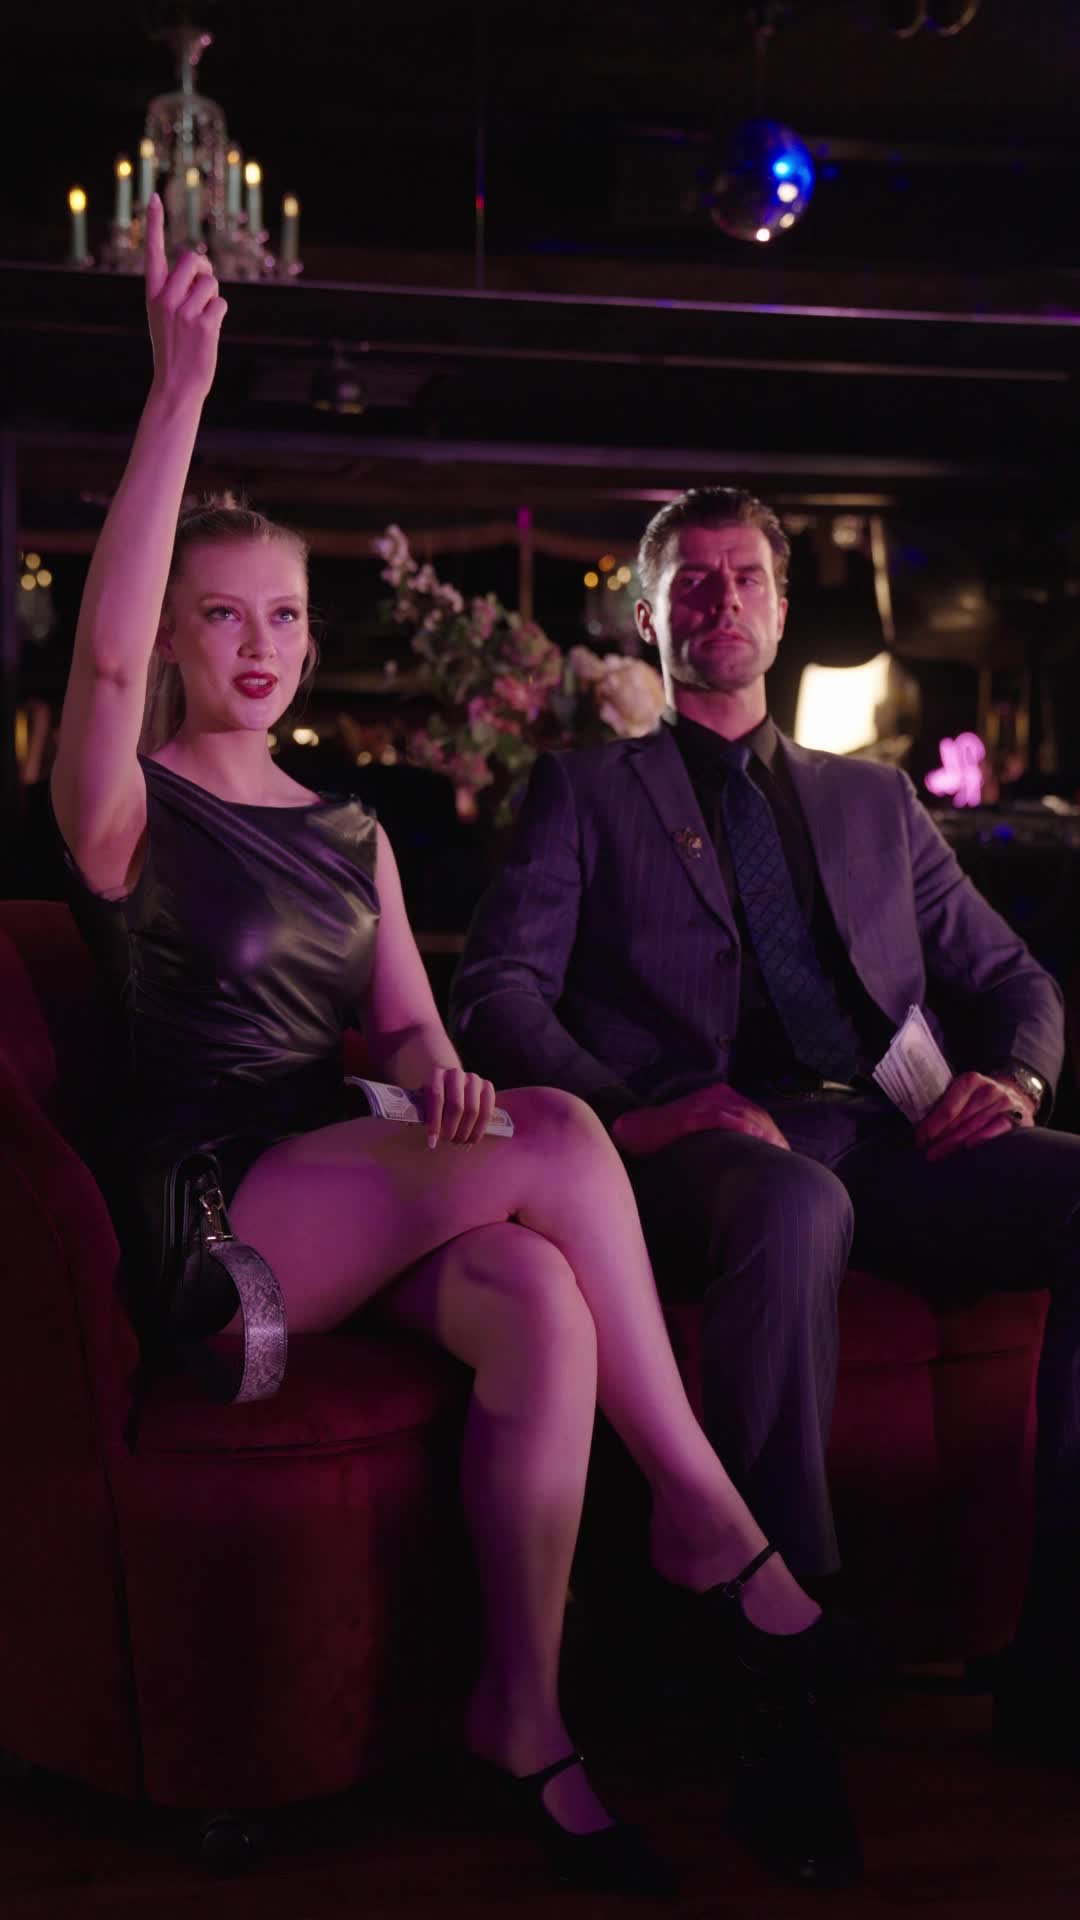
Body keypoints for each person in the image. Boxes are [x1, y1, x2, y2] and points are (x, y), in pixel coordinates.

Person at [50, 207, 861, 1894]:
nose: (257, 646)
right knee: (560, 1135)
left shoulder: (352, 831)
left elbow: (415, 1024)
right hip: (220, 1225)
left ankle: (524, 1711)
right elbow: (103, 660)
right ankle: (712, 1522)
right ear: (175, 640)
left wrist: (436, 1082)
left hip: (346, 1185)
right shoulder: (126, 812)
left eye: (282, 616)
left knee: (542, 1296)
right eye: (222, 617)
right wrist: (178, 393)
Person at [450, 484, 1080, 1767]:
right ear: (646, 616)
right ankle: (773, 1661)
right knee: (798, 1202)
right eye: (692, 579)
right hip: (708, 1149)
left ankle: (1057, 1651)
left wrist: (1015, 1080)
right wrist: (642, 1116)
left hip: (895, 1136)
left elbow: (1016, 980)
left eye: (745, 578)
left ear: (783, 612)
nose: (721, 599)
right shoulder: (585, 790)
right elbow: (495, 992)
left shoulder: (878, 802)